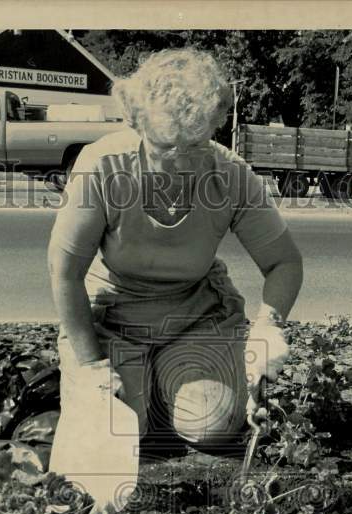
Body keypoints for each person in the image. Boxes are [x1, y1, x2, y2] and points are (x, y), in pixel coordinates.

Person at [47, 48, 303, 466]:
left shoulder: (231, 175)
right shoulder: (103, 167)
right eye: (167, 146)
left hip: (193, 315)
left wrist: (268, 328)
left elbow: (284, 263)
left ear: (213, 127)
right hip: (112, 315)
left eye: (195, 144)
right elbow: (65, 273)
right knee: (118, 434)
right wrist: (92, 365)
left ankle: (165, 386)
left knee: (212, 425)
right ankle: (135, 389)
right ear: (139, 123)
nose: (181, 163)